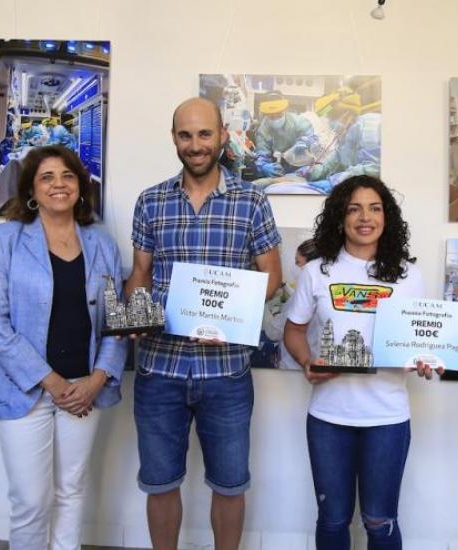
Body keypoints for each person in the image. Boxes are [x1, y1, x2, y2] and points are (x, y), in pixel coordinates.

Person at [126, 97, 282, 550]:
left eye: (204, 134)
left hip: (226, 371)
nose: (195, 145)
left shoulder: (251, 200)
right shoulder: (151, 201)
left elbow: (272, 277)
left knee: (230, 485)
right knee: (159, 482)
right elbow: (140, 274)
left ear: (223, 136)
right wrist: (138, 309)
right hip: (160, 369)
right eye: (185, 135)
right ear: (174, 138)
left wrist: (224, 307)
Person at [0, 144, 127, 550]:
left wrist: (97, 380)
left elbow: (116, 322)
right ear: (31, 189)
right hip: (24, 390)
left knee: (71, 491)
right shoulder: (4, 240)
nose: (58, 184)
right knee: (30, 501)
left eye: (67, 176)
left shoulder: (102, 244)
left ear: (80, 186)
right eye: (47, 177)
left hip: (85, 390)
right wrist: (53, 382)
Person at [282, 175, 439, 550]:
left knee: (380, 521)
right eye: (354, 208)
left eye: (374, 208)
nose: (364, 217)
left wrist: (423, 359)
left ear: (387, 217)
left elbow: (418, 339)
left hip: (386, 419)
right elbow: (293, 331)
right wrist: (307, 362)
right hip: (328, 419)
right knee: (333, 521)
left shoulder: (407, 275)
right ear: (340, 217)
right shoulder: (317, 271)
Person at [296, 93, 381, 194]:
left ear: (346, 114)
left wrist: (336, 181)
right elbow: (334, 161)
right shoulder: (345, 135)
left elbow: (374, 168)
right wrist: (313, 171)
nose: (328, 122)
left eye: (330, 118)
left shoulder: (372, 126)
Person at [258, 239, 320, 370]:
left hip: (294, 368)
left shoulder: (300, 297)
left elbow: (273, 332)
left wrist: (271, 308)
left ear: (311, 265)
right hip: (315, 365)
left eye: (298, 262)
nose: (295, 267)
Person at [253, 91, 316, 178]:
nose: (275, 119)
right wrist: (263, 166)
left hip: (301, 167)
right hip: (277, 170)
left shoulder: (300, 123)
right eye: (271, 116)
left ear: (285, 110)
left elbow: (313, 145)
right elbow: (262, 153)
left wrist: (304, 145)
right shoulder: (263, 130)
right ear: (266, 114)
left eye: (279, 115)